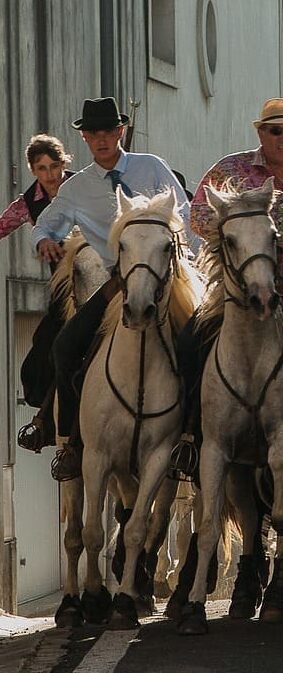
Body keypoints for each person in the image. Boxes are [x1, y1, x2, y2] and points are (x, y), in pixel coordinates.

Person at [32, 96, 193, 480]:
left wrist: (189, 267)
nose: (102, 140)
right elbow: (46, 224)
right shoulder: (77, 188)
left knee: (198, 344)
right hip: (112, 284)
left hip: (166, 279)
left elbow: (183, 213)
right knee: (65, 346)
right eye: (93, 133)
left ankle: (192, 437)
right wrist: (44, 241)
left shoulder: (151, 167)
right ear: (85, 138)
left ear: (121, 132)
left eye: (108, 131)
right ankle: (69, 440)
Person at [172, 98, 283, 461]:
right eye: (276, 130)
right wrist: (235, 233)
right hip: (237, 283)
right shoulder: (231, 168)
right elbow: (197, 215)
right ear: (261, 132)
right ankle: (189, 433)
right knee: (188, 343)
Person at [6, 135, 75, 452]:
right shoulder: (29, 202)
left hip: (101, 280)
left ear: (65, 163)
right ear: (33, 170)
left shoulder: (84, 187)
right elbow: (3, 224)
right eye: (42, 168)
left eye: (55, 166)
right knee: (45, 346)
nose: (50, 175)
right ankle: (45, 419)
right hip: (62, 292)